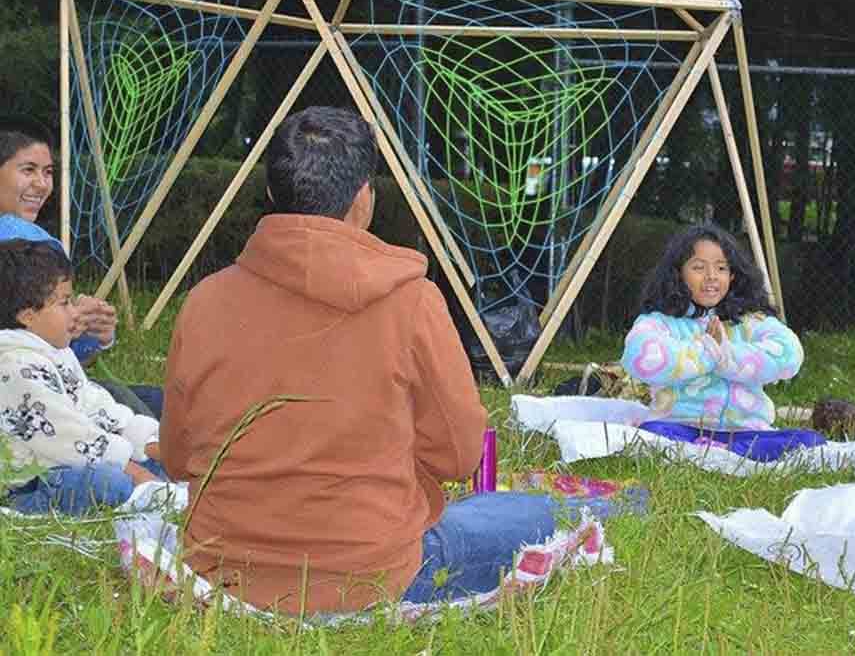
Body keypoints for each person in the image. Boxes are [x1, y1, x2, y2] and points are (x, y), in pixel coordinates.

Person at [160, 106, 556, 616]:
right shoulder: (413, 300)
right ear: (364, 197)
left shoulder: (202, 302)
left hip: (223, 569)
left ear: (273, 196)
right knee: (534, 513)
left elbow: (176, 457)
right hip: (372, 573)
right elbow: (458, 457)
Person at [0, 116, 162, 419]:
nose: (41, 184)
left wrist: (90, 333)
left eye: (48, 172)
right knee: (154, 419)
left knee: (163, 403)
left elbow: (63, 357)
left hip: (59, 388)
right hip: (28, 405)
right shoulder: (30, 241)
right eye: (28, 170)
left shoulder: (44, 245)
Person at [621, 223, 821, 459]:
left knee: (811, 442)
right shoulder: (661, 321)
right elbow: (641, 357)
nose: (711, 277)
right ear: (678, 274)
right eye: (698, 267)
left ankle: (714, 451)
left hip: (745, 431)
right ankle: (718, 452)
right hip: (679, 426)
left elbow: (790, 354)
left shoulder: (749, 321)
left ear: (733, 275)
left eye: (721, 268)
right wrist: (706, 353)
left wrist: (727, 358)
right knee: (651, 436)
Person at [0, 240, 163, 515]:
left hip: (75, 455)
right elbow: (69, 437)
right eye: (64, 303)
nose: (75, 313)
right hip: (32, 484)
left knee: (158, 462)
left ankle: (153, 485)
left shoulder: (54, 350)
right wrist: (141, 476)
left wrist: (151, 441)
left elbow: (95, 404)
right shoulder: (14, 367)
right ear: (28, 316)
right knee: (108, 483)